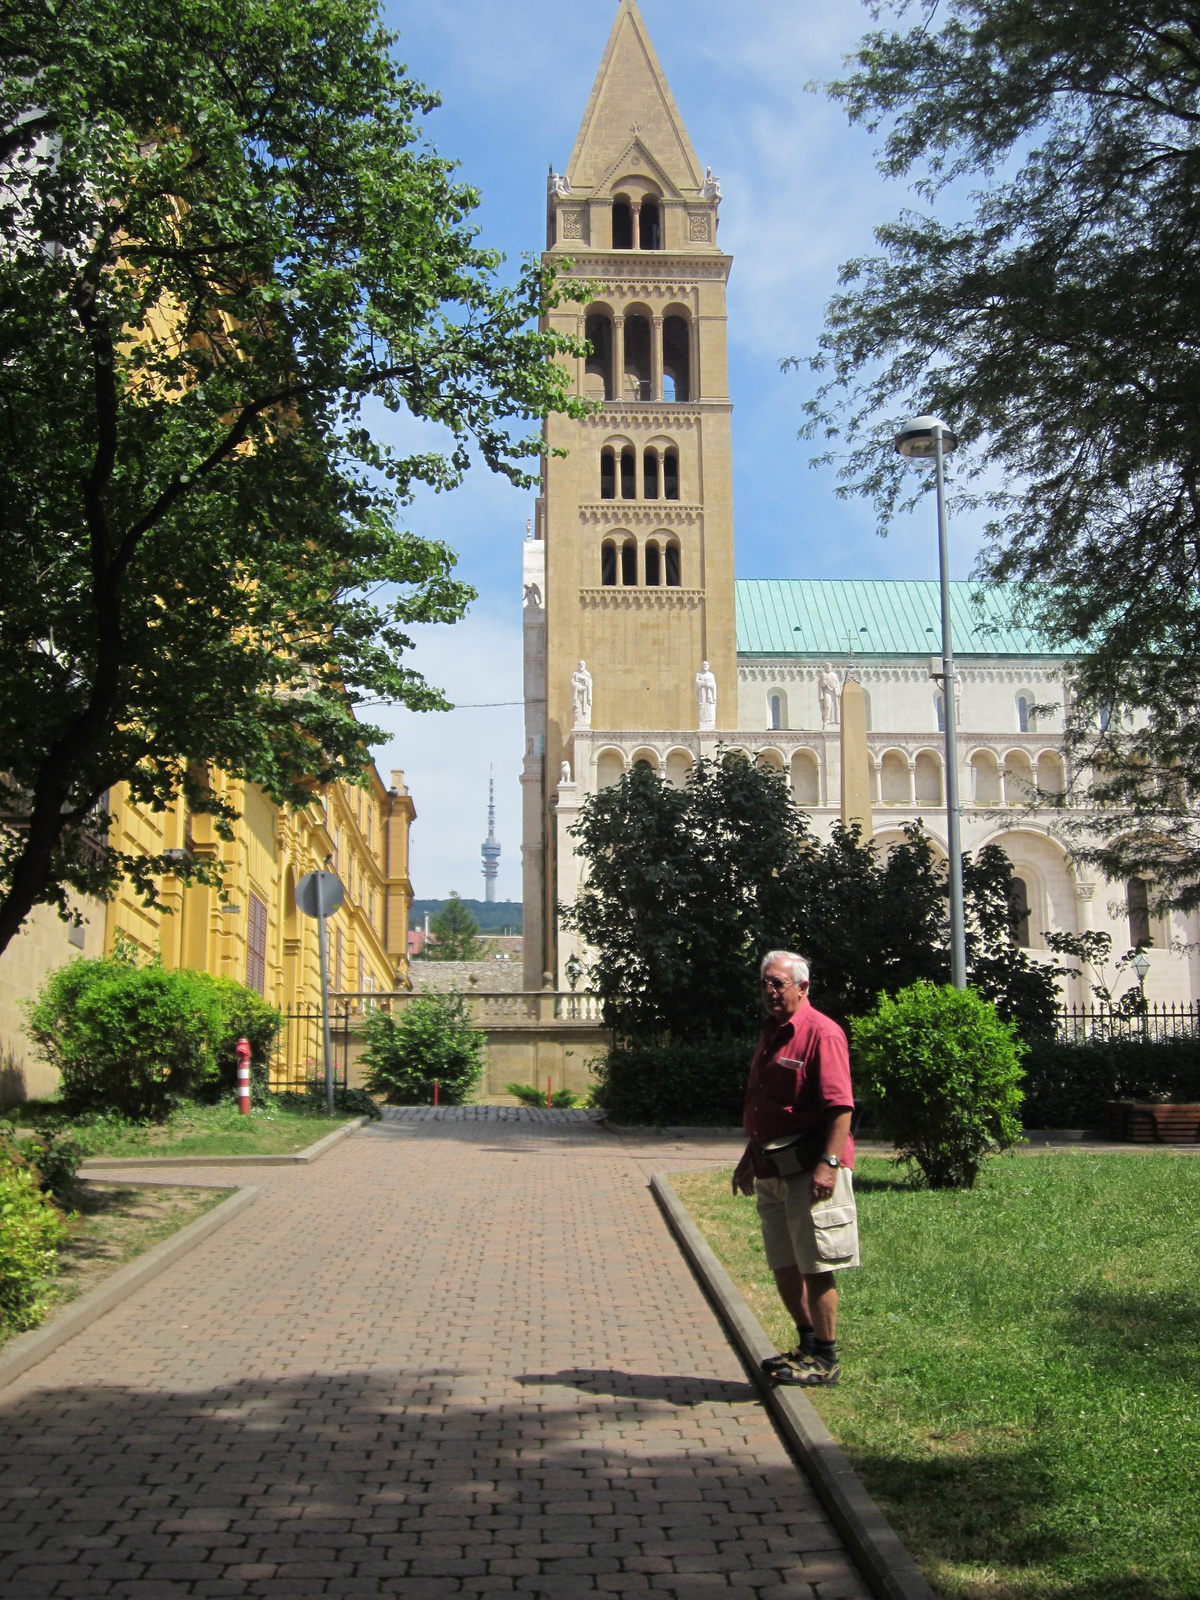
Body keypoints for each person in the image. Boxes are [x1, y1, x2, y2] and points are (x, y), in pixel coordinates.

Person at [732, 951, 859, 1386]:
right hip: (771, 1168)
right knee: (783, 1262)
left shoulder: (822, 1034)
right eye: (765, 983)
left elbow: (841, 1105)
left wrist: (828, 1164)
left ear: (802, 987)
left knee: (815, 1263)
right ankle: (806, 1344)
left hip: (811, 1171)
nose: (769, 991)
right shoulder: (771, 1033)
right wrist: (749, 1158)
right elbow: (764, 1104)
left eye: (778, 984)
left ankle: (826, 1357)